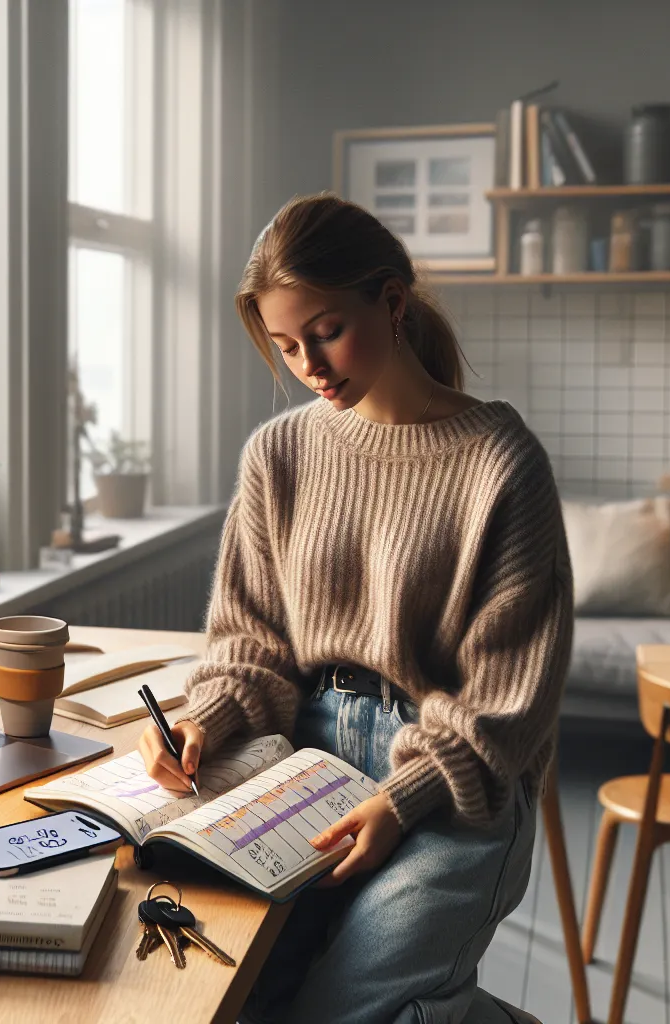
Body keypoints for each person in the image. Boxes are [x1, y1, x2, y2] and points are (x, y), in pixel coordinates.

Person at [138, 193, 574, 1023]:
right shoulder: (281, 454)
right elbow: (251, 639)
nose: (310, 364)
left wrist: (401, 801)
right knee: (242, 992)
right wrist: (208, 720)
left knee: (338, 1014)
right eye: (287, 345)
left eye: (327, 330)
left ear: (393, 301)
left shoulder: (499, 460)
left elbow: (508, 703)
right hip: (305, 761)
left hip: (454, 785)